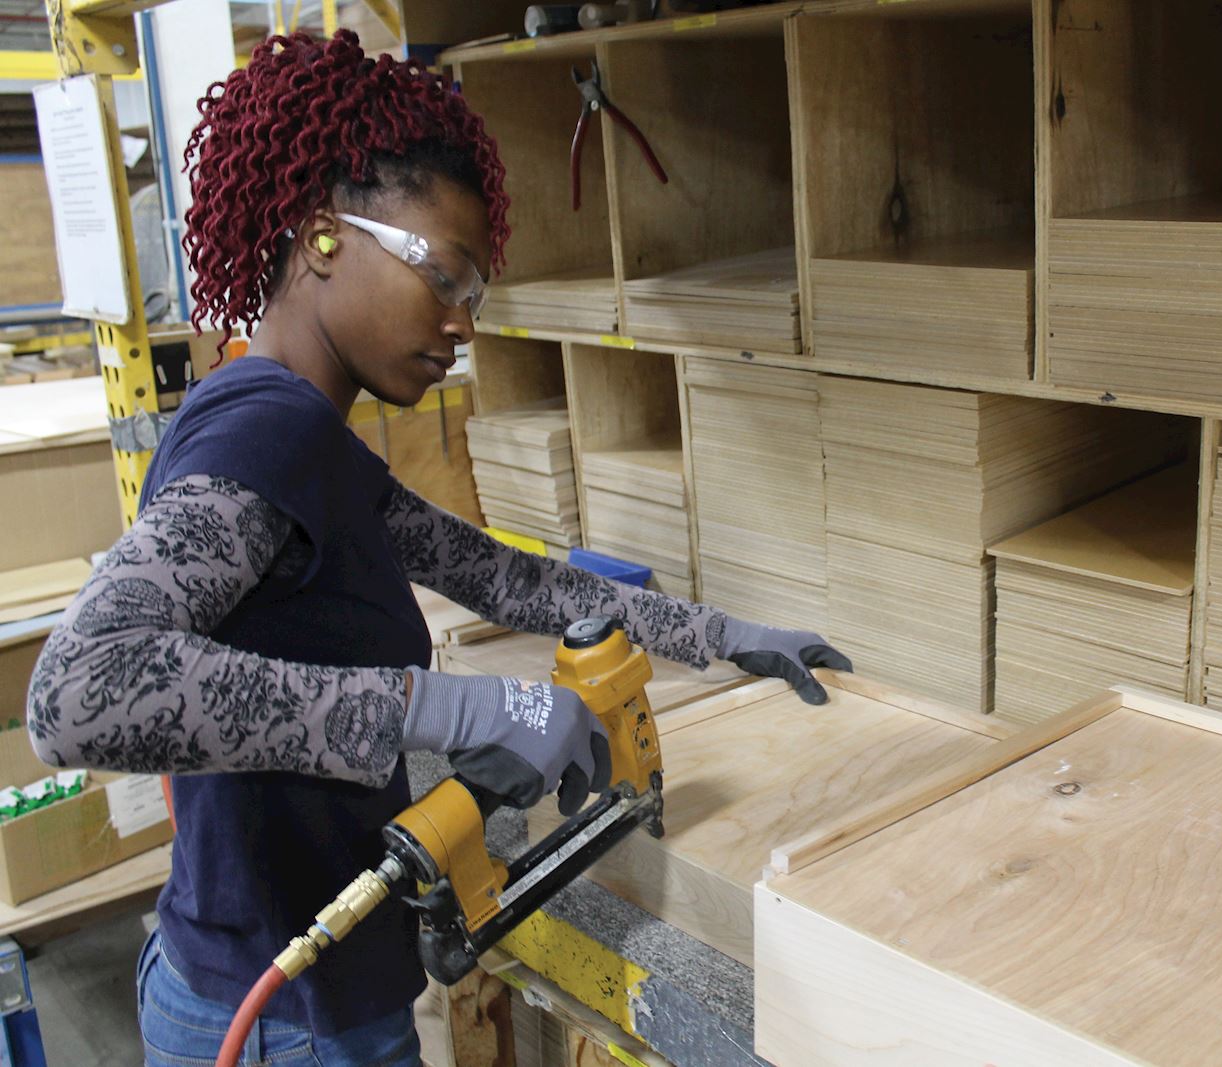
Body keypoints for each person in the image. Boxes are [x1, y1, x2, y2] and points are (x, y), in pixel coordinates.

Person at [25, 30, 849, 1067]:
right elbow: (76, 692)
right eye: (444, 276)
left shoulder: (308, 437)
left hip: (284, 982)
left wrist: (722, 632)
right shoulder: (264, 434)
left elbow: (498, 575)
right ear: (322, 235)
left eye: (476, 295)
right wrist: (466, 705)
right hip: (287, 1023)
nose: (463, 324)